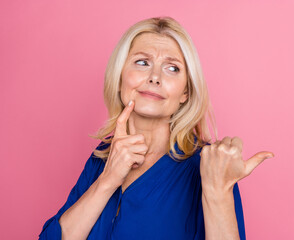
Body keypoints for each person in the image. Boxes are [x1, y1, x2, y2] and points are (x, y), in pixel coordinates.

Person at [39, 16, 274, 240]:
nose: (154, 77)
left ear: (185, 92)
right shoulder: (103, 157)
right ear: (120, 77)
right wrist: (108, 180)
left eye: (172, 68)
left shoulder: (209, 167)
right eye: (142, 62)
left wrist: (218, 192)